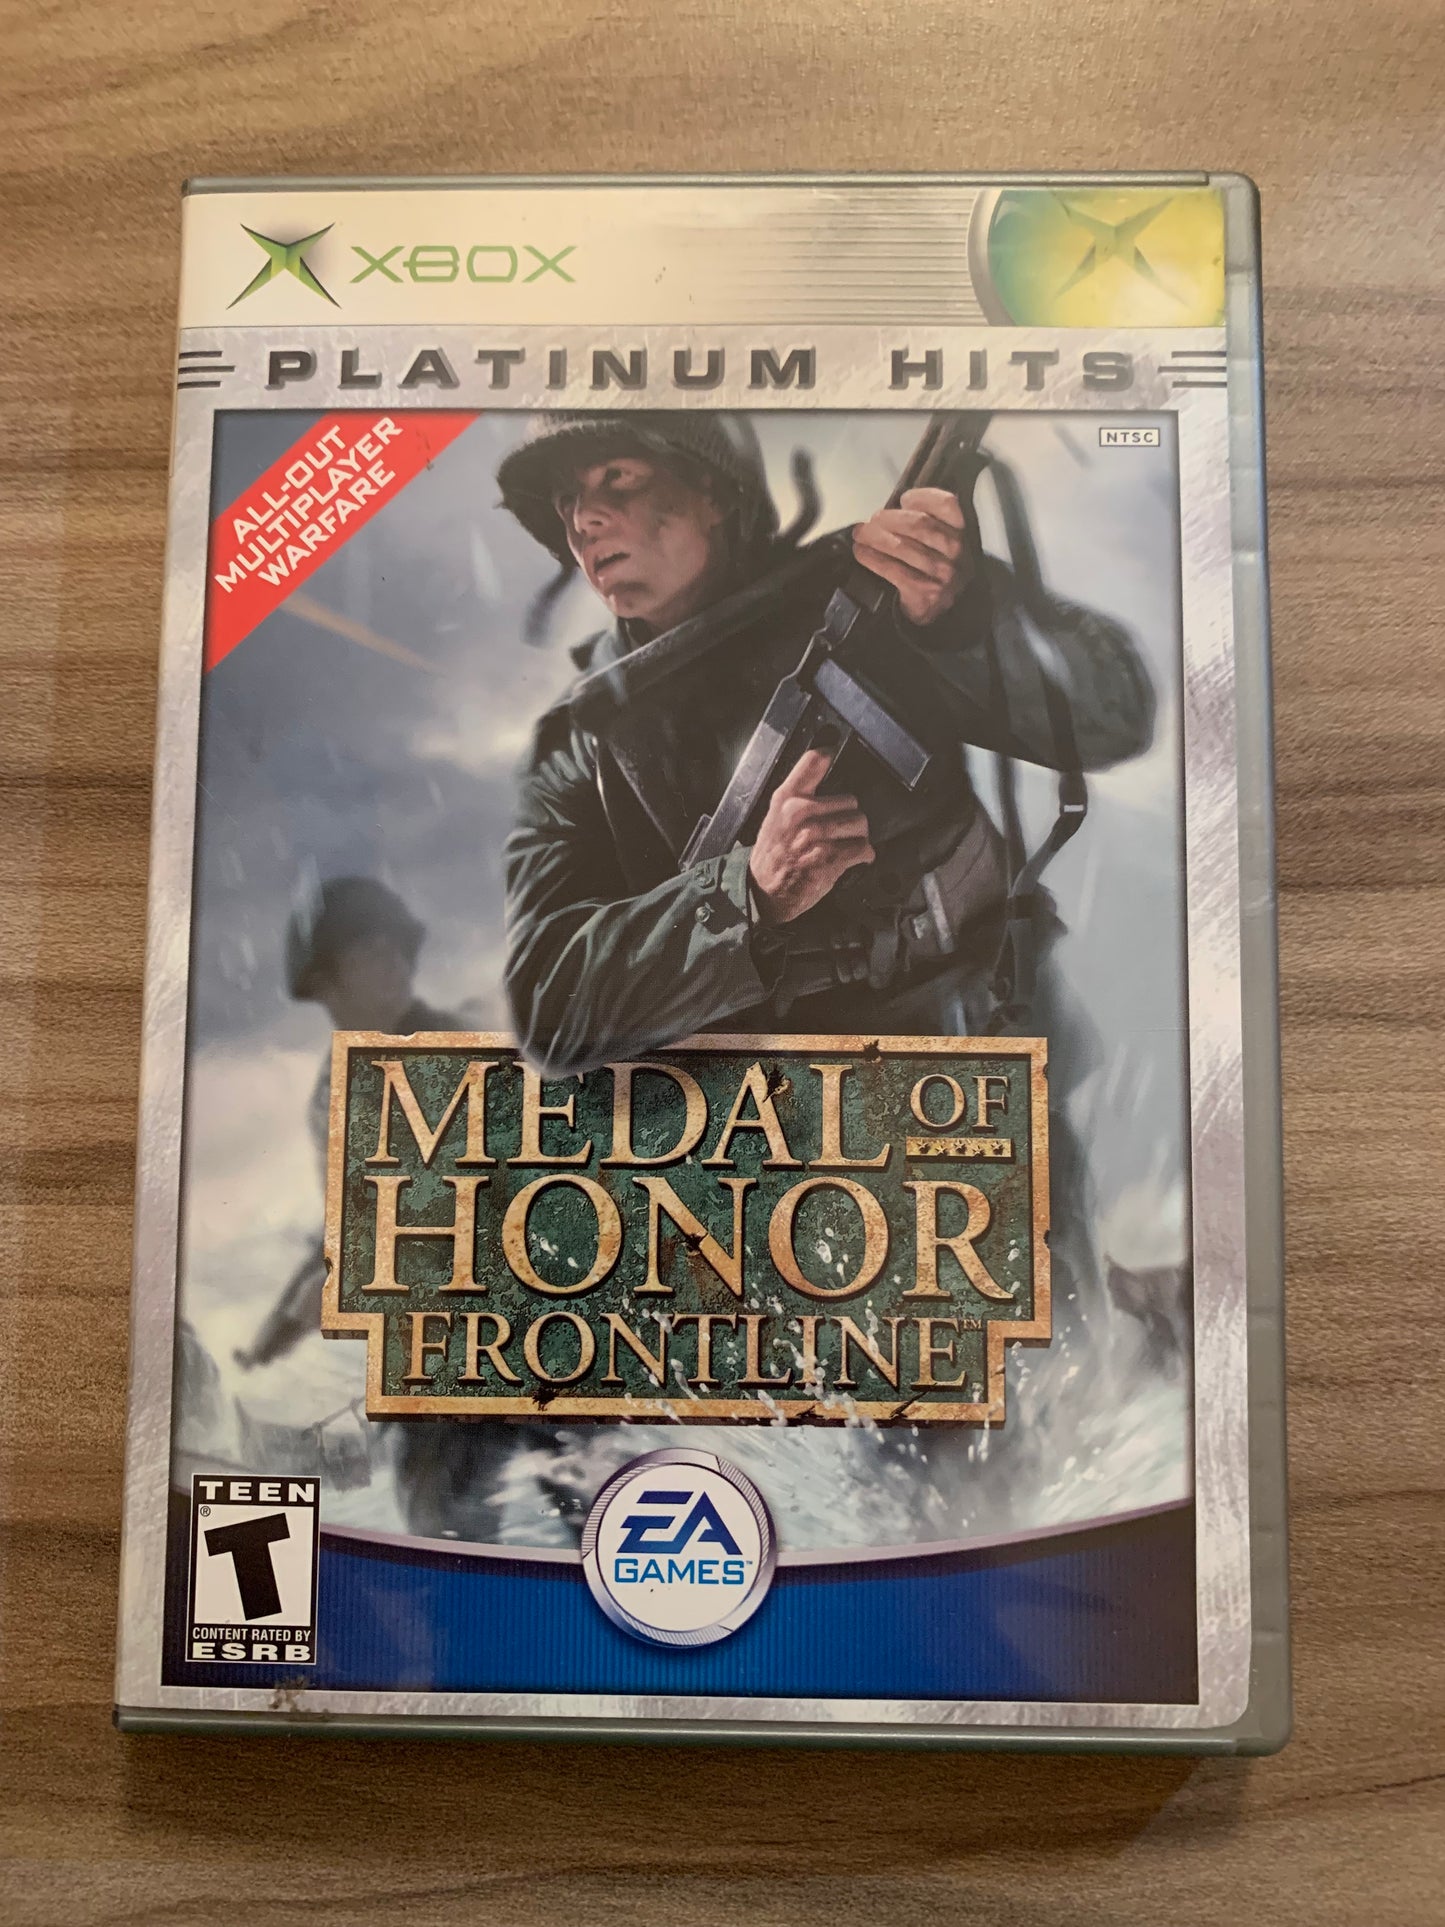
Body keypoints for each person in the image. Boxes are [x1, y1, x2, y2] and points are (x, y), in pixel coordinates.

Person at [497, 413, 1155, 1078]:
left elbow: (1114, 718)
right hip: (781, 1090)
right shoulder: (578, 741)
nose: (584, 519)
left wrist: (959, 620)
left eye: (617, 478)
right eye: (566, 500)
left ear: (713, 491)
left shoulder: (874, 580)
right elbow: (548, 1009)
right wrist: (747, 893)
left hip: (983, 1028)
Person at [236, 876, 529, 1541]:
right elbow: (349, 1228)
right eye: (370, 950)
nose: (394, 961)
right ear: (326, 979)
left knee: (595, 1501)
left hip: (534, 1322)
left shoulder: (465, 1038)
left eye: (398, 947)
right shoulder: (334, 1093)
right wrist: (276, 1333)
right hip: (436, 1359)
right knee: (441, 1539)